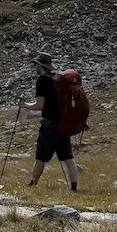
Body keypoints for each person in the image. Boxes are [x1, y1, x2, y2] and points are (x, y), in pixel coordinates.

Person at [26, 52, 79, 191]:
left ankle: (32, 185)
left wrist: (24, 106)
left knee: (41, 158)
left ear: (39, 65)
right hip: (63, 124)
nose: (34, 68)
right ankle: (74, 187)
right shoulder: (59, 79)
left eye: (35, 65)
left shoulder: (42, 81)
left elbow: (39, 105)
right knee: (67, 157)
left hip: (49, 125)